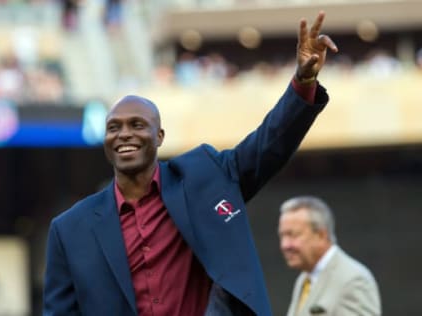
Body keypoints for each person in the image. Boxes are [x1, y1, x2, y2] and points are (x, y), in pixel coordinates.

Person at [43, 11, 338, 316]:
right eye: (113, 127)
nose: (124, 134)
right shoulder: (70, 230)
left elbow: (268, 144)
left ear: (159, 136)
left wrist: (303, 81)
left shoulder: (205, 178)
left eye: (136, 124)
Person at [278, 196, 381, 316]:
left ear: (321, 235)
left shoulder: (354, 280)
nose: (285, 245)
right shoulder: (304, 279)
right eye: (282, 236)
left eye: (293, 235)